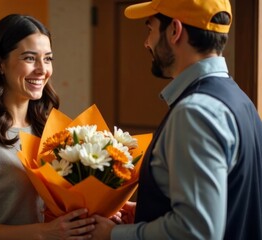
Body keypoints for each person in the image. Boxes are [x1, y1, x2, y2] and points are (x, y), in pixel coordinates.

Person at [90, 0, 262, 239]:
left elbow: (196, 231)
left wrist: (114, 235)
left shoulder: (195, 112)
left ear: (174, 31)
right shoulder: (240, 101)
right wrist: (145, 216)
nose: (146, 43)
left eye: (149, 29)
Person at [0, 14, 95, 240]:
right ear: (1, 64)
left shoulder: (52, 128)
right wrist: (46, 233)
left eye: (48, 59)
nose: (42, 69)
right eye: (29, 58)